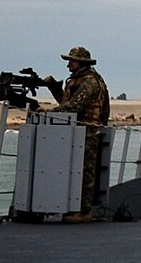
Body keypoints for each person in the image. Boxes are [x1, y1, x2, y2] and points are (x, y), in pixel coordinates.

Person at [42, 46, 110, 222]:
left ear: (81, 62)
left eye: (71, 61)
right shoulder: (79, 80)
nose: (68, 65)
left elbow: (75, 106)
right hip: (78, 130)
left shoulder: (89, 82)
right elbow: (69, 103)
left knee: (86, 170)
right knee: (76, 169)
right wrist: (53, 87)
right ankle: (73, 207)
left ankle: (83, 211)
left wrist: (47, 112)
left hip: (88, 130)